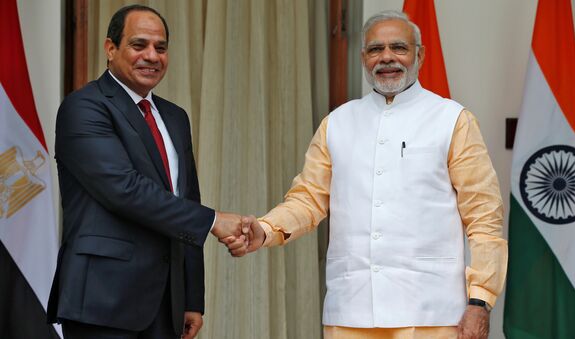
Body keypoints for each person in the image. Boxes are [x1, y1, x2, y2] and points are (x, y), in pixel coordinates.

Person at [239, 10, 508, 339]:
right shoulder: (337, 123)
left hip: (432, 313)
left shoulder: (452, 120)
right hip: (351, 311)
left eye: (399, 47)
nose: (387, 58)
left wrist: (480, 301)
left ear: (419, 55)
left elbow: (484, 216)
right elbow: (308, 200)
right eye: (375, 49)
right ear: (363, 57)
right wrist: (265, 229)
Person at [47, 5, 251, 339]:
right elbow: (124, 190)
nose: (151, 56)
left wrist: (191, 298)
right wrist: (214, 221)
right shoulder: (84, 107)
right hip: (102, 302)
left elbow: (187, 200)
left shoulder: (174, 117)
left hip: (164, 306)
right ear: (110, 49)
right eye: (139, 45)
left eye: (161, 47)